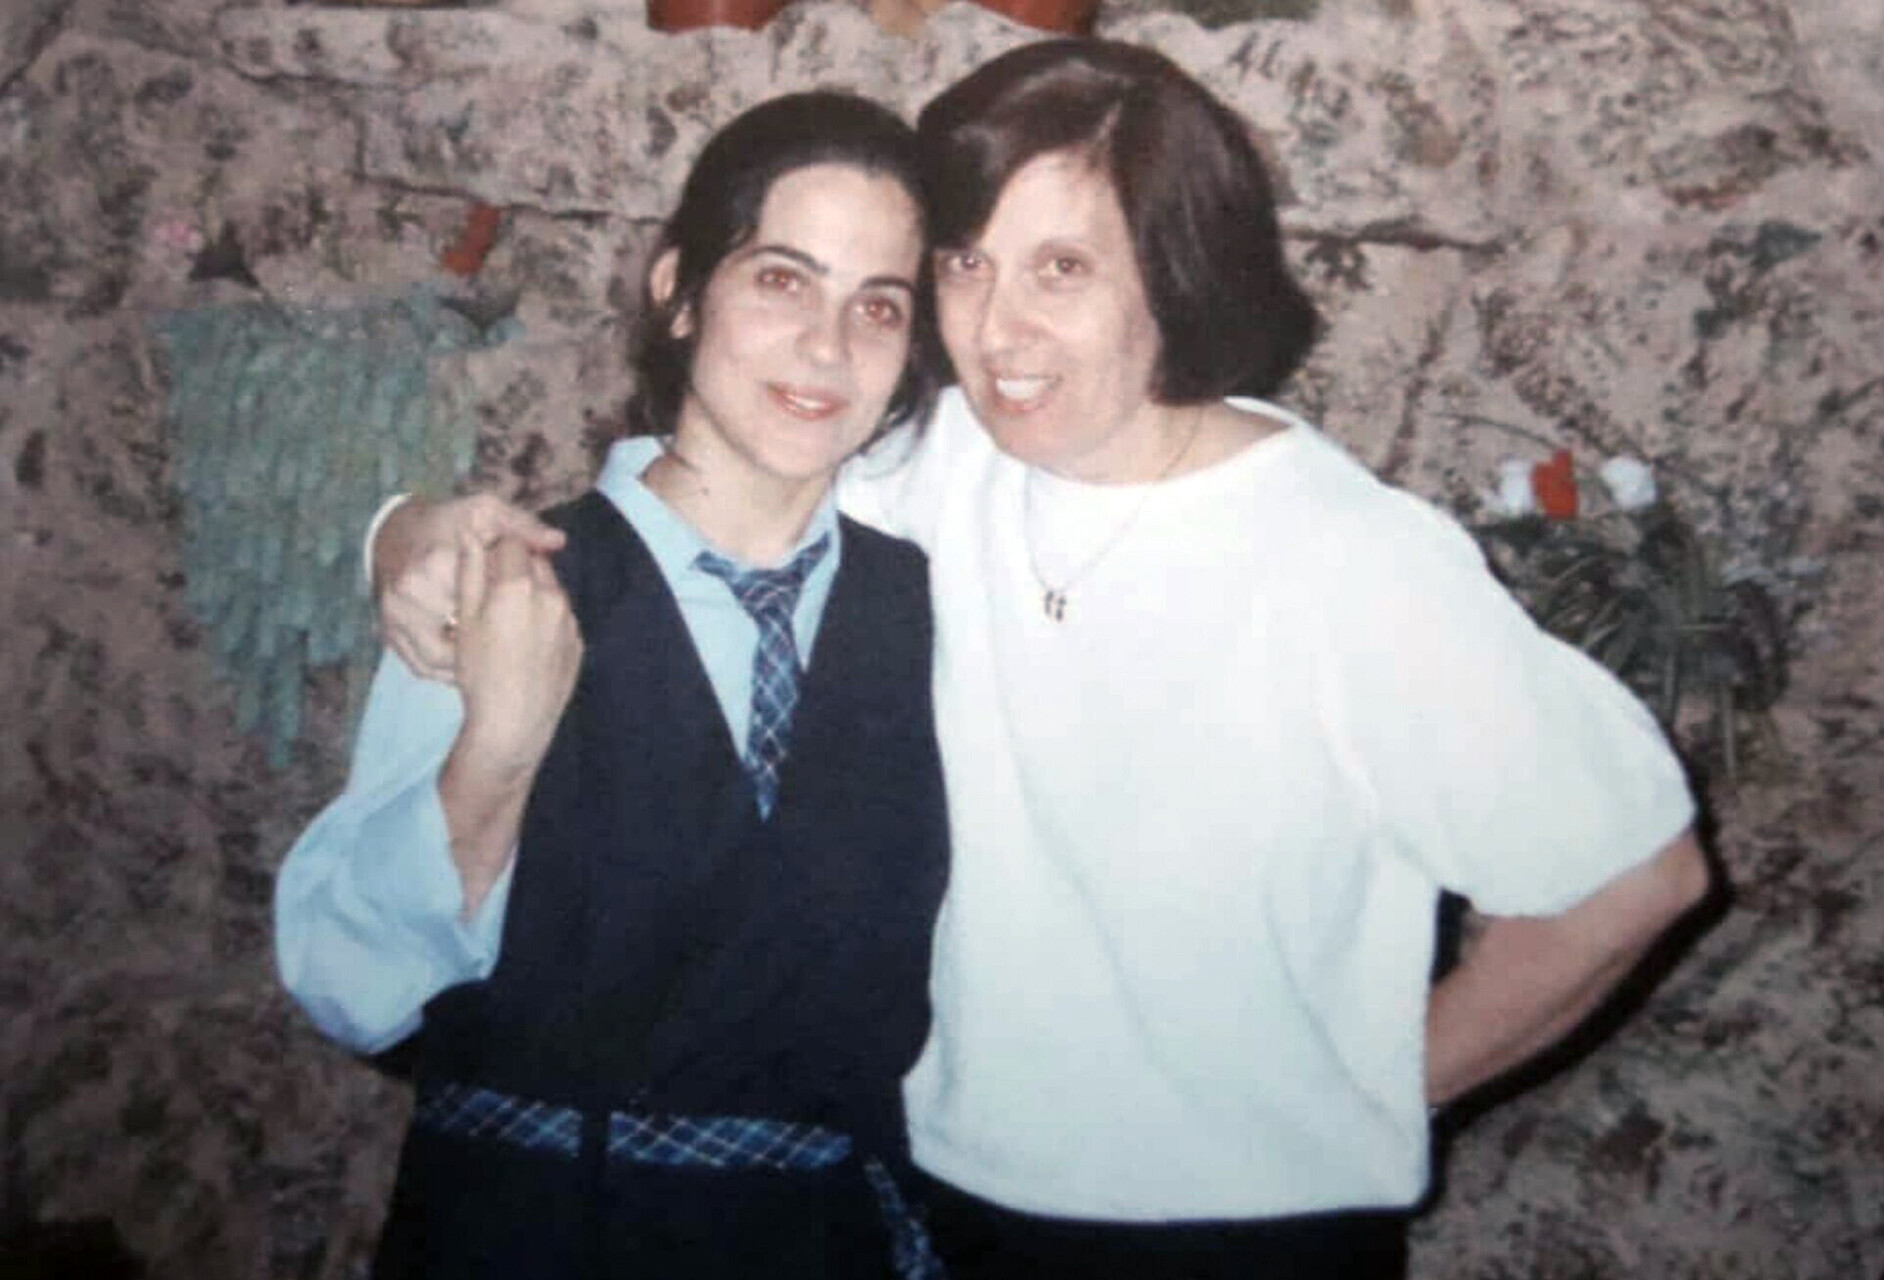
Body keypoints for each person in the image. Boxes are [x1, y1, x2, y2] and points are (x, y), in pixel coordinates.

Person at [364, 39, 1711, 1280]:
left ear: (1173, 272)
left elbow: (1632, 878)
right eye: (967, 265)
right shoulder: (942, 467)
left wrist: (1363, 1098)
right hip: (938, 1209)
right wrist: (406, 532)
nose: (999, 332)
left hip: (1238, 1241)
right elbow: (701, 488)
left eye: (1063, 268)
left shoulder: (1347, 559)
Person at [274, 92, 952, 1279]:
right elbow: (348, 988)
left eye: (878, 305)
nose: (828, 347)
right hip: (522, 1240)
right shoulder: (505, 580)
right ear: (678, 290)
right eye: (782, 280)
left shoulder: (931, 614)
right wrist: (495, 755)